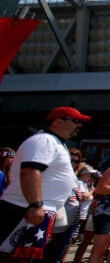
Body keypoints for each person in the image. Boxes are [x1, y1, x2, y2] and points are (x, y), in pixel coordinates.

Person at [0, 106, 90, 262]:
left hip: (37, 210)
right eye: (76, 121)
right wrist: (36, 204)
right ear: (58, 122)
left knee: (21, 258)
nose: (79, 125)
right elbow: (29, 171)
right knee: (6, 255)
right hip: (24, 208)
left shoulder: (57, 143)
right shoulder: (45, 140)